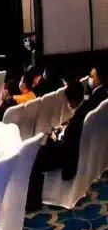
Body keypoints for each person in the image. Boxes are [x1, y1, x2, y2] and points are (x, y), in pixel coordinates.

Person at [27, 80, 96, 209]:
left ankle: (32, 201)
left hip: (68, 156)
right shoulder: (87, 109)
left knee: (34, 156)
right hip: (76, 150)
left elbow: (67, 144)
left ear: (71, 101)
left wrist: (55, 138)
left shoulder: (78, 118)